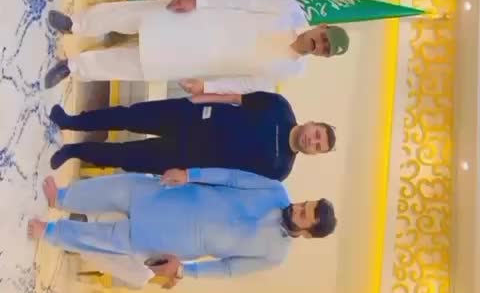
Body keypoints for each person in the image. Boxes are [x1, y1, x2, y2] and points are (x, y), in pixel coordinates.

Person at [27, 171, 337, 287]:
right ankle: (63, 198)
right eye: (304, 203)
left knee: (109, 239)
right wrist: (190, 174)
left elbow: (228, 269)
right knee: (121, 187)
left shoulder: (275, 255)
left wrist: (183, 271)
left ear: (307, 234)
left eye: (304, 214)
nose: (297, 207)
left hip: (179, 239)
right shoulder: (275, 190)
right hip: (179, 196)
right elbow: (230, 177)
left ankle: (51, 233)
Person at [43, 0, 350, 88]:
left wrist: (209, 87)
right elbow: (242, 0)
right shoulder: (289, 11)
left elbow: (249, 83)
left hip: (199, 61)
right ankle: (76, 23)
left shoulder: (293, 69)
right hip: (199, 20)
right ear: (321, 26)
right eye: (324, 38)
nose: (320, 45)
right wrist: (199, 2)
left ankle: (74, 67)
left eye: (325, 50)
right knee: (134, 16)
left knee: (133, 65)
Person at [48, 91, 336, 175]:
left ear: (314, 153)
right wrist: (197, 98)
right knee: (128, 116)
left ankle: (74, 151)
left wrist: (190, 177)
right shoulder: (280, 107)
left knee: (126, 157)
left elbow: (234, 181)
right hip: (191, 116)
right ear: (312, 123)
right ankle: (71, 121)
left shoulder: (280, 169)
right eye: (317, 134)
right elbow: (236, 98)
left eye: (317, 145)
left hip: (190, 158)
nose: (312, 140)